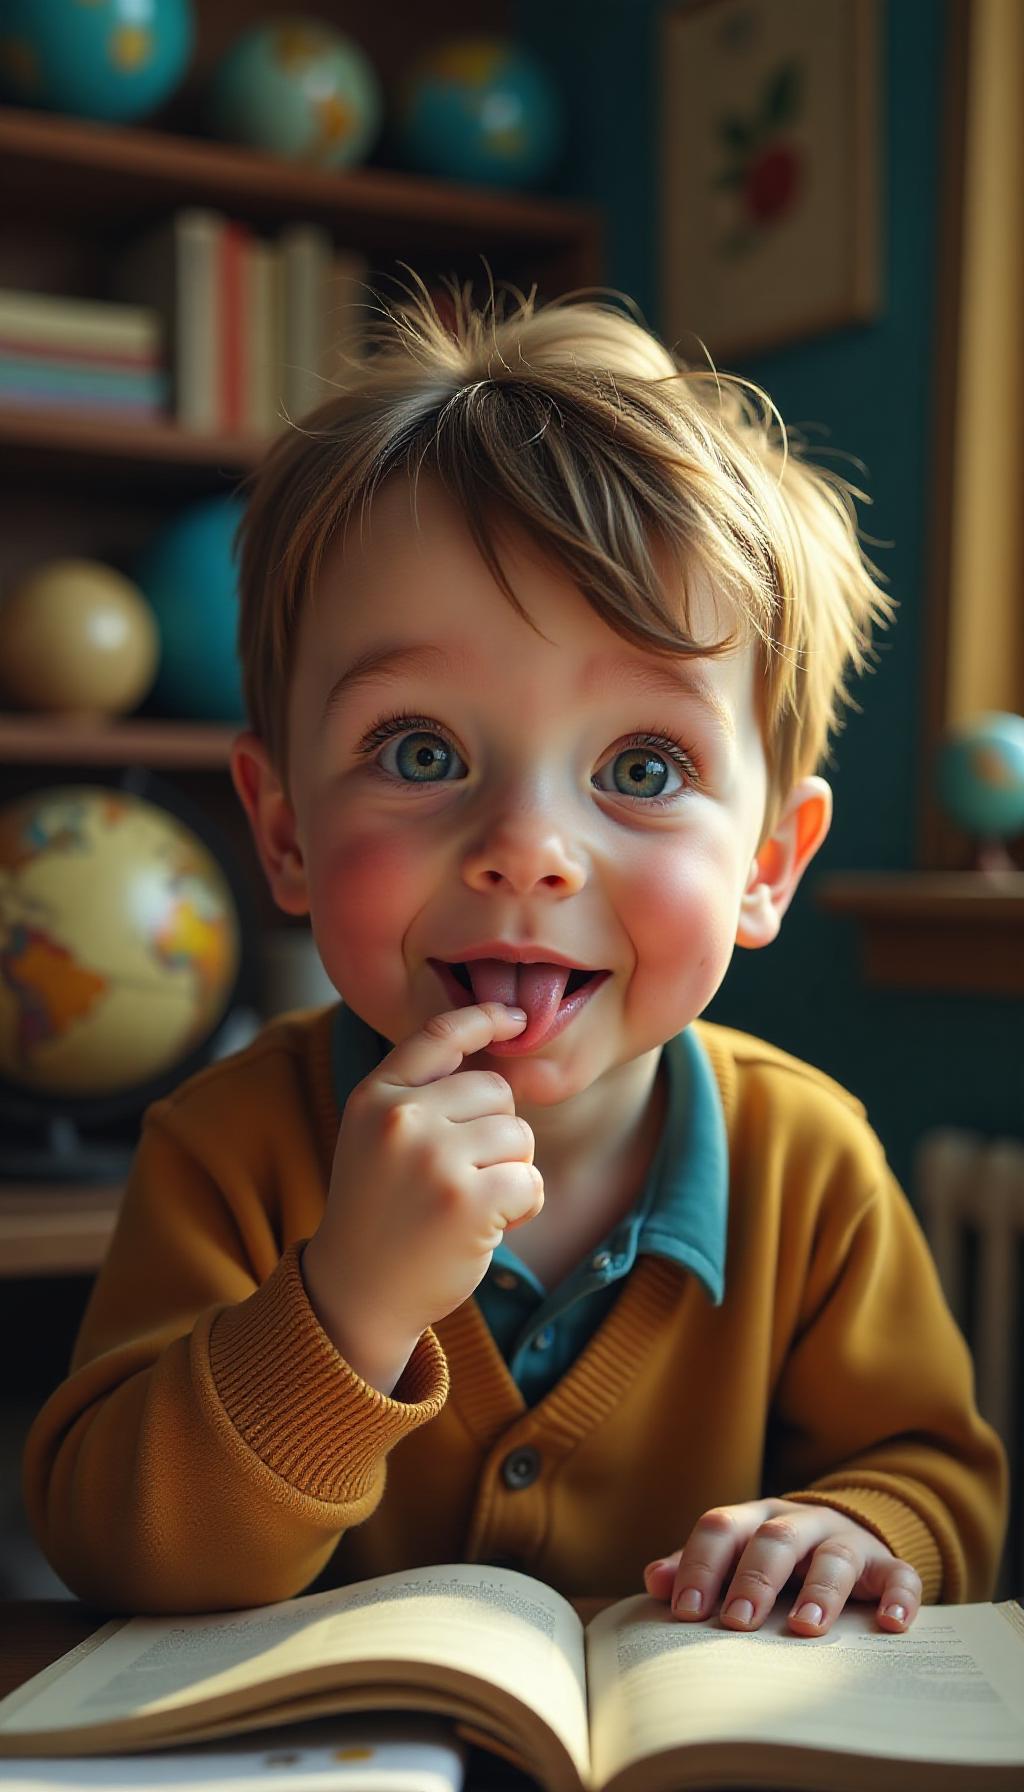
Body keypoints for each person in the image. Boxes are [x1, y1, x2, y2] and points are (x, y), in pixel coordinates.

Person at [24, 280, 1006, 1629]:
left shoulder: (813, 1164)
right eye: (421, 751)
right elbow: (113, 1548)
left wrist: (849, 1526)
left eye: (644, 765)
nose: (528, 848)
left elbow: (937, 1477)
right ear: (285, 830)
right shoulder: (229, 1149)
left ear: (769, 864)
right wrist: (344, 1303)